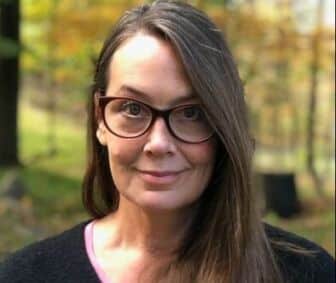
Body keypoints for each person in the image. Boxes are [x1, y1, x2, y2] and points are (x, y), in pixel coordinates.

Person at [0, 1, 334, 282]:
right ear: (99, 119)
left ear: (224, 126)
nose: (158, 143)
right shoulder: (26, 275)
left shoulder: (305, 272)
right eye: (132, 108)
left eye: (191, 113)